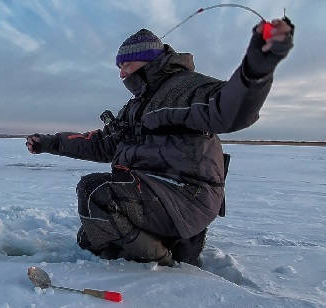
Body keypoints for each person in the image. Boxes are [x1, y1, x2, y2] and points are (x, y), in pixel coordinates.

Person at [26, 19, 294, 266]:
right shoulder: (138, 105)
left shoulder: (183, 88)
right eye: (119, 68)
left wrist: (256, 70)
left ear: (145, 60)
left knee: (94, 191)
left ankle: (164, 264)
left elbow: (228, 108)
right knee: (90, 238)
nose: (121, 75)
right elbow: (101, 143)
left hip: (185, 198)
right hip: (161, 197)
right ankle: (175, 246)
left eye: (126, 65)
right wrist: (48, 143)